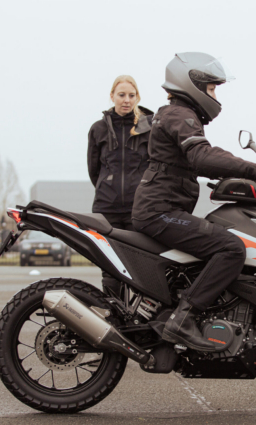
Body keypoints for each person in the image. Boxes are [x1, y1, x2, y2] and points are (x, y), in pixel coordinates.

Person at [132, 52, 256, 351]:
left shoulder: (174, 114)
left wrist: (240, 176)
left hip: (160, 208)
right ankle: (183, 319)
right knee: (231, 248)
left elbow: (196, 162)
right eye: (211, 88)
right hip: (159, 212)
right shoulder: (180, 115)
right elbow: (202, 156)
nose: (214, 96)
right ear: (193, 85)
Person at [88, 75, 153, 295]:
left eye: (131, 95)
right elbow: (94, 170)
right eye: (121, 95)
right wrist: (108, 186)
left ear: (137, 97)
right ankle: (112, 311)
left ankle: (138, 313)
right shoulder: (98, 129)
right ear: (112, 96)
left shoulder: (148, 128)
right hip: (107, 210)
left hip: (138, 209)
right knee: (111, 269)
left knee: (140, 268)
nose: (126, 100)